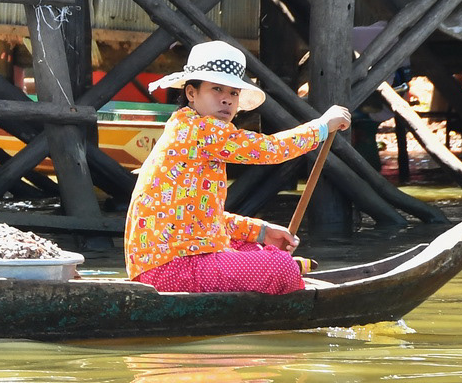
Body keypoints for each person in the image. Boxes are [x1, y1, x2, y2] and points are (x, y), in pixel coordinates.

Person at [123, 41, 351, 294]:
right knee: (281, 266)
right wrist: (320, 127)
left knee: (256, 247)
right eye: (216, 89)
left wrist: (261, 232)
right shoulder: (201, 130)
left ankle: (278, 268)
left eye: (233, 93)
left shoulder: (186, 128)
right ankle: (285, 273)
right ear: (191, 93)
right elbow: (269, 149)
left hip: (168, 265)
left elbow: (202, 217)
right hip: (171, 270)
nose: (226, 100)